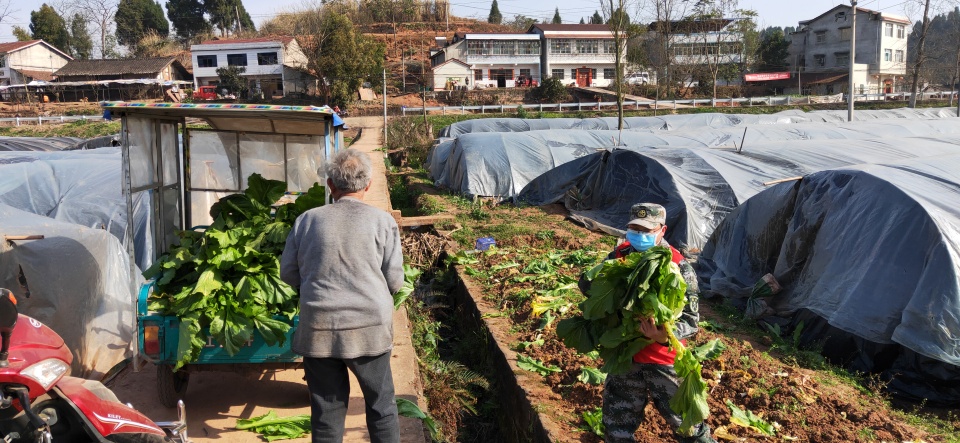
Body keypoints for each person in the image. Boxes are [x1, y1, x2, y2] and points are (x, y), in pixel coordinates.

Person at [280, 148, 405, 443]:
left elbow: (288, 274)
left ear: (331, 186)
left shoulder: (307, 221)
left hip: (319, 329)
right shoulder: (382, 222)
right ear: (368, 185)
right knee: (382, 407)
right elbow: (395, 280)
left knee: (327, 412)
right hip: (369, 330)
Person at [585, 203, 716, 443]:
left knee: (687, 425)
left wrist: (663, 335)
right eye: (634, 229)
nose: (639, 235)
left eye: (646, 230)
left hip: (662, 359)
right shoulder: (620, 255)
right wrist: (605, 276)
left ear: (662, 230)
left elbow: (691, 320)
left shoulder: (678, 265)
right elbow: (588, 287)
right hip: (625, 355)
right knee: (617, 425)